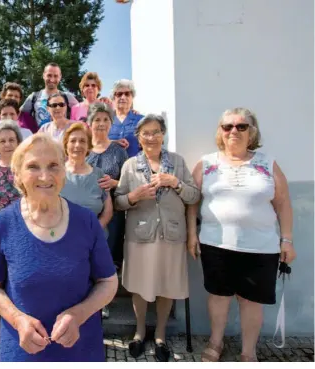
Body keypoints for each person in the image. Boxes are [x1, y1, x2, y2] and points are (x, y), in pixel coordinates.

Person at [0, 133, 118, 361]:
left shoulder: (86, 221)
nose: (45, 176)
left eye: (53, 165)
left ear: (64, 171)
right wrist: (17, 319)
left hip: (81, 351)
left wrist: (79, 314)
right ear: (18, 175)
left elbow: (108, 282)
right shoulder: (2, 224)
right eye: (33, 166)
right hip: (23, 352)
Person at [186, 108, 296, 362]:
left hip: (261, 247)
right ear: (220, 132)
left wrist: (287, 240)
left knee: (251, 301)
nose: (233, 131)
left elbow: (283, 203)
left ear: (251, 132)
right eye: (227, 127)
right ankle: (216, 342)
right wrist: (192, 234)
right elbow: (192, 202)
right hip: (215, 243)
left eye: (241, 126)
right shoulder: (207, 163)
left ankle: (249, 351)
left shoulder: (267, 163)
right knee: (219, 297)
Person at [114, 114, 200, 362]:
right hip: (140, 235)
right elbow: (118, 202)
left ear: (163, 135)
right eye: (145, 133)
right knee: (140, 287)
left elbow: (194, 196)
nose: (151, 137)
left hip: (171, 234)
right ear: (138, 138)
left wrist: (176, 183)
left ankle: (160, 333)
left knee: (167, 285)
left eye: (156, 132)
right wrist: (135, 196)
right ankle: (140, 331)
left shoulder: (178, 162)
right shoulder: (130, 165)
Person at [85, 102, 129, 317]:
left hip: (113, 214)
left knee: (107, 255)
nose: (101, 124)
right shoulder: (82, 149)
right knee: (86, 254)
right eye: (97, 120)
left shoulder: (119, 151)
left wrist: (115, 183)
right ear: (89, 123)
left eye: (105, 120)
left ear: (111, 123)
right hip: (86, 212)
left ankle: (104, 301)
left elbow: (129, 181)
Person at [60, 123, 113, 231]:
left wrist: (93, 231)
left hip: (94, 239)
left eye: (82, 141)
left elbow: (108, 211)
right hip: (62, 239)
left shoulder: (99, 175)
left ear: (88, 146)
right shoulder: (57, 174)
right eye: (73, 141)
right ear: (66, 145)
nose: (77, 145)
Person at [21, 62, 79, 128]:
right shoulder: (33, 97)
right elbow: (20, 116)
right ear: (43, 75)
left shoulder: (67, 97)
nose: (52, 79)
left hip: (62, 136)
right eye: (49, 75)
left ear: (60, 77)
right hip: (41, 136)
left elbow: (81, 112)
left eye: (55, 76)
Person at [108, 79, 144, 157]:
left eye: (127, 94)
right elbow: (96, 143)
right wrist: (112, 142)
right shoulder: (105, 120)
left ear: (132, 97)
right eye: (119, 94)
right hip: (109, 167)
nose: (123, 97)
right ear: (113, 98)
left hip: (134, 167)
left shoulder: (141, 121)